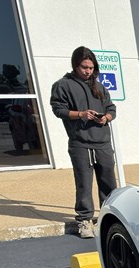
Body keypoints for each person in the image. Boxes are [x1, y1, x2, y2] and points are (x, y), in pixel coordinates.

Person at [49, 46, 116, 239]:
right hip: (80, 143)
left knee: (108, 183)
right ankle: (85, 221)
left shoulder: (99, 86)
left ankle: (107, 217)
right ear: (75, 65)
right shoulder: (63, 85)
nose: (88, 71)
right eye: (84, 67)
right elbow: (58, 110)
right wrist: (81, 114)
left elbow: (111, 107)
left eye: (91, 67)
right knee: (84, 184)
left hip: (102, 142)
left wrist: (107, 117)